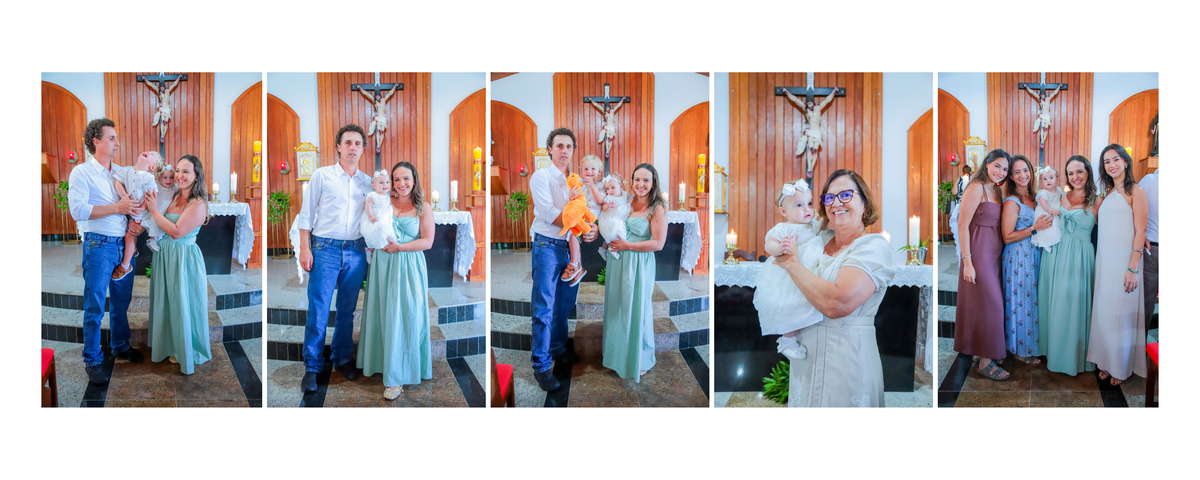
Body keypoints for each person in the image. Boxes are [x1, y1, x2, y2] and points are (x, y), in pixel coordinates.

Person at [771, 169, 896, 407]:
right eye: (829, 198)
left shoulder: (873, 246)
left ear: (865, 205)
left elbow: (837, 303)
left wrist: (791, 263)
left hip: (847, 358)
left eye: (846, 195)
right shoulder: (817, 241)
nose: (836, 202)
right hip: (806, 359)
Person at [68, 118, 147, 384]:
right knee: (94, 305)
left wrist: (137, 224)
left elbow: (140, 194)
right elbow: (78, 210)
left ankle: (120, 345)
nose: (117, 143)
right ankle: (92, 358)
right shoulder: (81, 173)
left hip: (122, 244)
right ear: (96, 141)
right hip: (98, 245)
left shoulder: (122, 172)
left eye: (116, 138)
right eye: (111, 138)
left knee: (121, 303)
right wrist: (118, 208)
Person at [295, 124, 373, 392]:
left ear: (363, 149)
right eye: (347, 142)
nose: (352, 147)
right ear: (338, 146)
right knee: (318, 309)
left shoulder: (367, 182)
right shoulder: (322, 175)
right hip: (325, 249)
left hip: (356, 250)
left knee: (347, 311)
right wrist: (305, 248)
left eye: (357, 143)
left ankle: (341, 357)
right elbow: (306, 214)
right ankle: (312, 366)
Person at [527, 128, 598, 391]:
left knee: (564, 302)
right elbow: (549, 213)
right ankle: (541, 365)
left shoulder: (574, 180)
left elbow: (583, 211)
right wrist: (581, 227)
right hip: (546, 245)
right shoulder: (541, 176)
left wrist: (591, 229)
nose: (564, 151)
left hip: (569, 244)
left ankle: (556, 347)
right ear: (550, 149)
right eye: (559, 146)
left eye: (568, 146)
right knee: (544, 305)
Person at [357, 162, 435, 400]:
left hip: (409, 265)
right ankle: (383, 363)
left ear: (414, 179)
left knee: (406, 316)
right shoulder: (383, 200)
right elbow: (369, 223)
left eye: (406, 179)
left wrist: (400, 247)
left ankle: (398, 375)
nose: (401, 184)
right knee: (384, 313)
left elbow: (427, 241)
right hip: (383, 264)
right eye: (397, 179)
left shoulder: (423, 207)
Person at [142, 155, 212, 373]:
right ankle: (168, 343)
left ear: (196, 175)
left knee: (182, 301)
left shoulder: (197, 203)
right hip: (165, 256)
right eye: (178, 171)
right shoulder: (174, 196)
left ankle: (184, 348)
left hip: (183, 258)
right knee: (167, 300)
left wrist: (153, 209)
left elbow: (176, 231)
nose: (180, 176)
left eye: (186, 172)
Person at [1088, 144, 1149, 385]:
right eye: (1106, 161)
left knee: (1121, 316)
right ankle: (1105, 361)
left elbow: (1140, 230)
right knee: (1105, 314)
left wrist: (1133, 268)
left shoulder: (1136, 190)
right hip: (1105, 263)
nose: (1111, 164)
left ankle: (1120, 367)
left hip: (1126, 264)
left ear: (1125, 162)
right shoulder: (1107, 195)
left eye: (1115, 159)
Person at [602, 163, 667, 381]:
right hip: (618, 262)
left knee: (637, 309)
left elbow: (658, 244)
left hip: (639, 263)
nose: (641, 184)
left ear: (653, 183)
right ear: (631, 181)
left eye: (646, 180)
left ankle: (640, 358)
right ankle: (617, 356)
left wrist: (627, 246)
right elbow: (611, 222)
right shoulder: (626, 201)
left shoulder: (657, 209)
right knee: (618, 307)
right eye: (637, 179)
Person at [1038, 155, 1099, 376]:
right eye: (1071, 173)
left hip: (1080, 258)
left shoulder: (1098, 200)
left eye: (1079, 171)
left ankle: (1073, 356)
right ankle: (1052, 350)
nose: (1075, 177)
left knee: (1074, 305)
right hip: (1056, 255)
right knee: (1055, 304)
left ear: (1088, 172)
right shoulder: (1060, 196)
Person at [954, 149, 1010, 381]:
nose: (1000, 172)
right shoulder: (976, 187)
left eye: (1005, 169)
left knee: (982, 304)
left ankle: (980, 350)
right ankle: (986, 362)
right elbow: (962, 224)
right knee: (993, 305)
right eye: (997, 166)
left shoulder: (996, 189)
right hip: (978, 252)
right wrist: (967, 261)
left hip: (994, 252)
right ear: (986, 164)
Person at [752, 179, 822, 360]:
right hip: (788, 275)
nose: (807, 209)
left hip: (810, 272)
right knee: (788, 305)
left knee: (807, 303)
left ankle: (801, 335)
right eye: (799, 205)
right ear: (784, 212)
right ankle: (787, 340)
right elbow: (769, 244)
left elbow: (824, 228)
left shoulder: (813, 225)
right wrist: (780, 248)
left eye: (809, 204)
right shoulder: (784, 228)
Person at [999, 155, 1052, 364]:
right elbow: (1007, 236)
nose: (1022, 175)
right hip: (1018, 257)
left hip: (1035, 255)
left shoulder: (1036, 196)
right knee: (1020, 302)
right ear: (1011, 176)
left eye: (1026, 170)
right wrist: (1034, 228)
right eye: (1017, 172)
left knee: (1033, 301)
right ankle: (1020, 350)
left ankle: (1033, 344)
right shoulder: (1012, 201)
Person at [110, 151, 163, 279]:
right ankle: (133, 250)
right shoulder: (126, 170)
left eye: (151, 155)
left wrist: (142, 208)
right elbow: (117, 182)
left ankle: (125, 266)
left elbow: (150, 195)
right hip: (129, 208)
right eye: (148, 152)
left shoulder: (148, 177)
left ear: (152, 167)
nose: (148, 152)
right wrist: (124, 196)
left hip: (142, 213)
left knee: (129, 236)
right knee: (126, 232)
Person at [360, 169, 400, 256]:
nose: (385, 185)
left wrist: (394, 193)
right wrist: (370, 216)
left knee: (385, 232)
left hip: (385, 217)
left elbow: (389, 193)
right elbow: (368, 206)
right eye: (381, 183)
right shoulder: (372, 195)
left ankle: (385, 248)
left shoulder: (387, 194)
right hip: (376, 217)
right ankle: (369, 251)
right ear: (374, 186)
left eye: (387, 182)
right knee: (375, 233)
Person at [592, 174, 631, 259]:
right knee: (613, 233)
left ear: (621, 186)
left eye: (613, 187)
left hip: (618, 218)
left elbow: (631, 197)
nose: (610, 191)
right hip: (608, 219)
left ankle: (604, 249)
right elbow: (604, 207)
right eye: (607, 189)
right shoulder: (609, 198)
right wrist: (608, 205)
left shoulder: (624, 195)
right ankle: (611, 248)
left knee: (614, 234)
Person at [1139, 166, 1158, 329]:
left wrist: (1141, 234)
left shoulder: (1147, 180)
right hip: (1150, 246)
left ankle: (1140, 349)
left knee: (1146, 305)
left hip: (1150, 248)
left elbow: (1132, 209)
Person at [1031, 165, 1064, 253]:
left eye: (1051, 178)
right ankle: (1045, 243)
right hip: (1046, 212)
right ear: (1041, 182)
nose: (1048, 180)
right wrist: (1052, 211)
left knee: (1054, 228)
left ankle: (1052, 241)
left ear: (1057, 180)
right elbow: (1043, 204)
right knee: (1046, 229)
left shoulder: (1058, 190)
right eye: (1045, 179)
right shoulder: (1044, 193)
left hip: (1054, 212)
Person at [949, 164, 972, 260]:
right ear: (970, 171)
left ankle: (961, 248)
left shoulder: (959, 178)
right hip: (970, 205)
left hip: (960, 205)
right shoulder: (973, 178)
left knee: (960, 225)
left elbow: (954, 192)